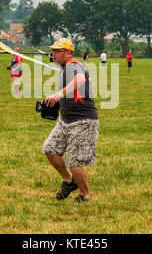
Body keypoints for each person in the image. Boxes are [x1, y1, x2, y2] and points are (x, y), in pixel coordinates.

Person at [43, 38, 99, 203]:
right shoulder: (64, 69)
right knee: (50, 149)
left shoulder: (73, 64)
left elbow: (80, 80)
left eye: (57, 51)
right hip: (65, 120)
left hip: (83, 121)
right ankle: (69, 181)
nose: (53, 53)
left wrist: (58, 95)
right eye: (52, 50)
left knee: (74, 161)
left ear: (68, 53)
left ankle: (85, 196)